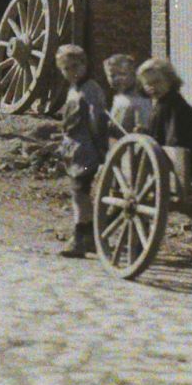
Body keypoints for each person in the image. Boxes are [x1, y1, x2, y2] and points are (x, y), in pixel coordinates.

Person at [55, 44, 112, 259]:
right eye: (66, 68)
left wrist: (100, 147)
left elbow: (97, 119)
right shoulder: (74, 89)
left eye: (75, 66)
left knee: (80, 192)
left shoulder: (90, 88)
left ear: (85, 65)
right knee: (79, 192)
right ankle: (88, 237)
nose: (71, 71)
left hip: (87, 149)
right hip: (74, 149)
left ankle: (80, 237)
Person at [139, 57, 192, 155]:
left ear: (170, 80)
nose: (152, 87)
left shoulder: (177, 108)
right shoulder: (160, 105)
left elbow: (173, 142)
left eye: (157, 82)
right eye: (148, 84)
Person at [105, 53, 153, 138]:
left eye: (122, 74)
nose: (117, 79)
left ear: (133, 73)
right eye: (112, 75)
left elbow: (143, 135)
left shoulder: (141, 101)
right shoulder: (118, 97)